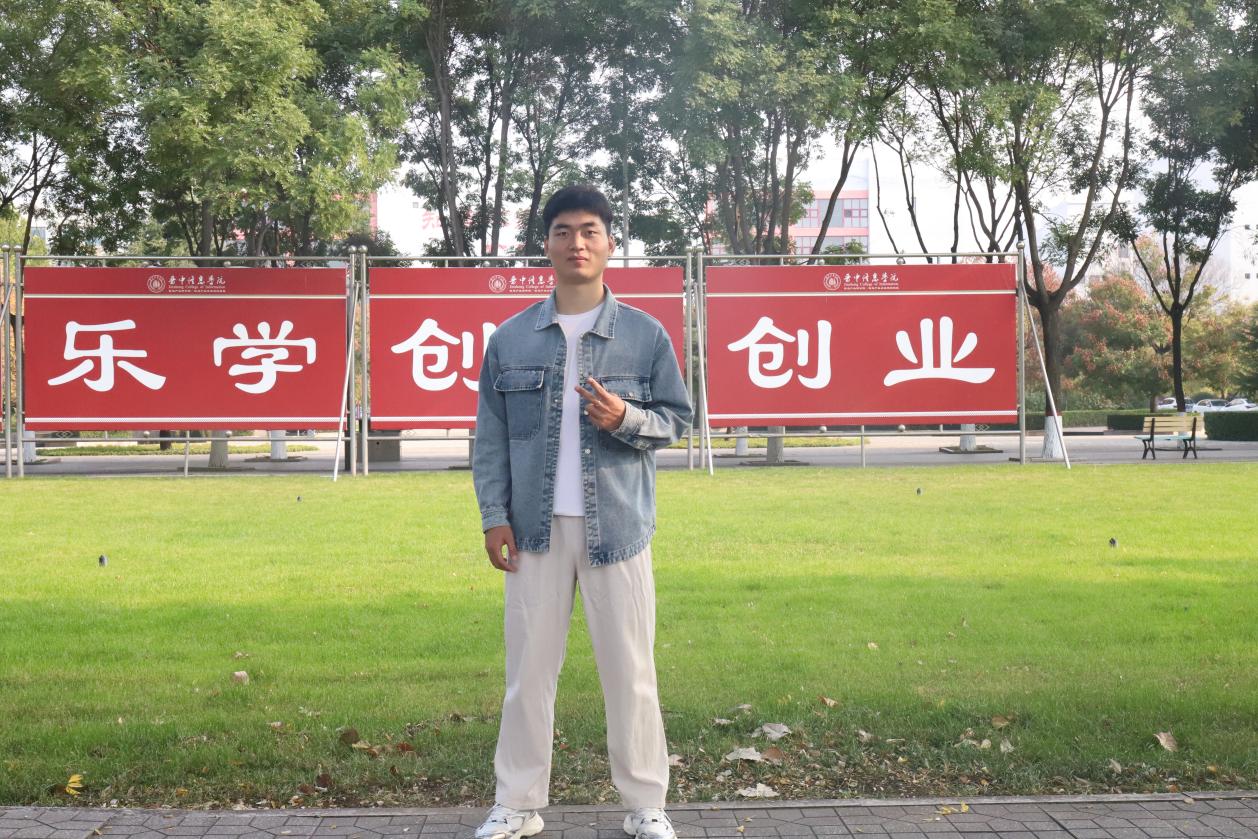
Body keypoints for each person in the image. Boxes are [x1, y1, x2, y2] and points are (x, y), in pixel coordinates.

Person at [471, 184, 692, 839]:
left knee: (631, 674)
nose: (577, 243)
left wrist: (625, 418)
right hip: (532, 531)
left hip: (618, 530)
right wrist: (493, 514)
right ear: (546, 244)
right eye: (563, 231)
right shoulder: (511, 339)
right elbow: (489, 437)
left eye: (590, 230)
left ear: (610, 243)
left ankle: (646, 803)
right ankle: (517, 803)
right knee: (527, 674)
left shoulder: (645, 335)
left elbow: (678, 419)